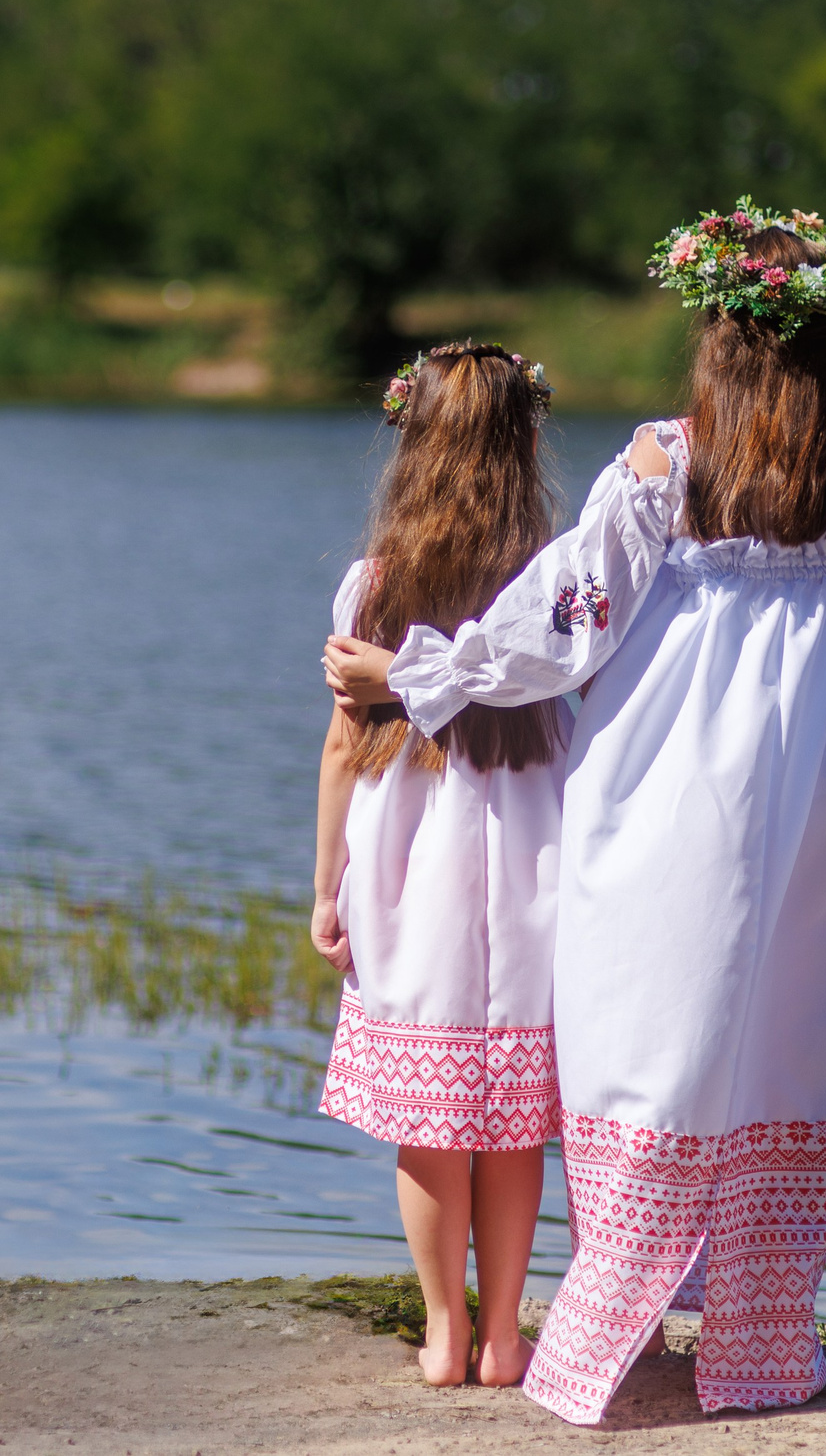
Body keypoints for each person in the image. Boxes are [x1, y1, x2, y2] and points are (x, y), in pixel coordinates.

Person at [324, 205, 826, 1425]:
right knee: (796, 1018)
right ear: (824, 340)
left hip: (669, 783)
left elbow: (564, 625)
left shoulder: (664, 465)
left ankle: (609, 1324)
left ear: (715, 340)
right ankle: (758, 1341)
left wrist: (427, 672)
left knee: (653, 1022)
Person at [310, 341, 570, 1389]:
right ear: (524, 447)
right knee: (510, 1120)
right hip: (530, 850)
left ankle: (443, 1331)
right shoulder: (553, 579)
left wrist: (324, 886)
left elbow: (343, 744)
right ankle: (505, 1333)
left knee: (429, 1118)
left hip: (409, 859)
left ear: (409, 443)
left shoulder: (374, 583)